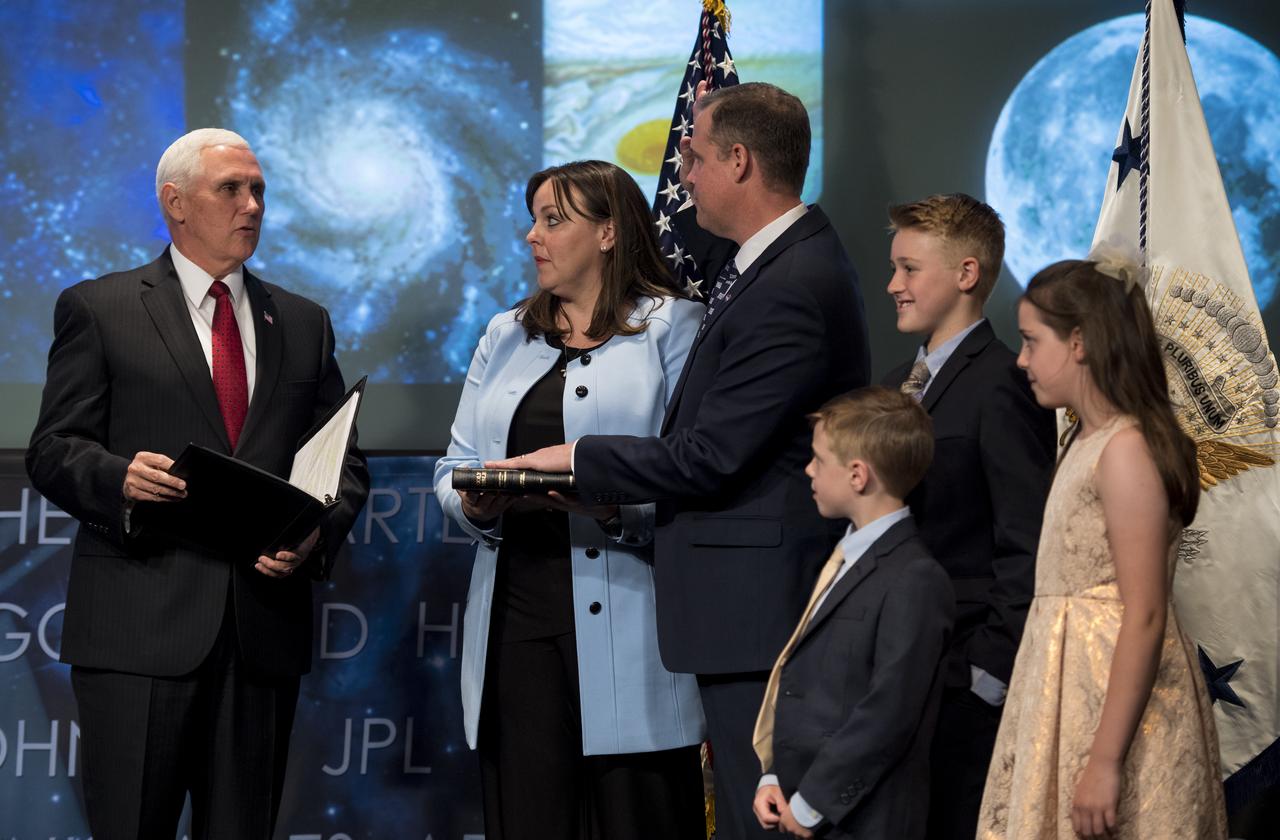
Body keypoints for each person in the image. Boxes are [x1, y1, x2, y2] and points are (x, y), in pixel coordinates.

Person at [493, 82, 871, 840]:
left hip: (758, 611)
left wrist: (577, 457)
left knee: (757, 819)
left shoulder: (792, 285)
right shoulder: (770, 268)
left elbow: (711, 455)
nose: (682, 176)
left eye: (694, 158)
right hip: (738, 611)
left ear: (738, 160)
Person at [25, 128, 370, 839]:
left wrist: (313, 533)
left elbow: (345, 468)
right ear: (175, 203)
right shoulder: (101, 309)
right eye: (231, 190)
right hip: (138, 633)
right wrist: (118, 477)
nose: (252, 206)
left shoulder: (303, 323)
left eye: (259, 191)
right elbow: (53, 449)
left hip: (259, 634)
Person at [433, 160, 707, 840]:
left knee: (634, 818)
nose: (533, 236)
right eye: (533, 220)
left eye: (554, 220)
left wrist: (615, 509)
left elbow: (696, 472)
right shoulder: (506, 334)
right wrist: (474, 507)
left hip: (634, 619)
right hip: (517, 625)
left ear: (610, 233)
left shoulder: (675, 328)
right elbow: (454, 465)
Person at [976, 258, 1228, 839]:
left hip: (1112, 701)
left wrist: (1107, 760)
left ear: (1081, 342)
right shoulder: (1085, 441)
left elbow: (1143, 611)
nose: (1021, 360)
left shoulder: (1125, 449)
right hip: (1065, 690)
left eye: (1033, 341)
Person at [879, 193, 1056, 839]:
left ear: (966, 273)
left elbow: (1028, 536)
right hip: (900, 671)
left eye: (908, 268)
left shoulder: (1005, 383)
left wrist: (988, 672)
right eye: (893, 268)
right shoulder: (895, 382)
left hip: (962, 677)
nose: (893, 284)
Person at [752, 387, 954, 839]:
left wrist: (812, 803)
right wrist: (775, 777)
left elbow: (888, 713)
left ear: (858, 475)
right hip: (801, 799)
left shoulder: (914, 578)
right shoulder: (843, 556)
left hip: (863, 819)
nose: (808, 469)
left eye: (819, 460)